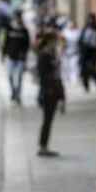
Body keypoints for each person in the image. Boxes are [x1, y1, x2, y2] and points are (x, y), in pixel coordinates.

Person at [35, 17, 66, 157]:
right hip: (48, 92)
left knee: (48, 120)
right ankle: (43, 146)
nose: (56, 44)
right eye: (55, 41)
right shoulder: (45, 55)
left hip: (53, 91)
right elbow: (45, 76)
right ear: (50, 41)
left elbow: (57, 75)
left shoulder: (51, 54)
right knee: (47, 120)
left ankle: (44, 145)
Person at [2, 10, 31, 105]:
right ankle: (13, 92)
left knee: (18, 77)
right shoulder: (9, 29)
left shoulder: (24, 30)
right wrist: (3, 54)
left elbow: (27, 45)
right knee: (10, 75)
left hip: (20, 58)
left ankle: (18, 94)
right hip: (11, 57)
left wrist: (25, 56)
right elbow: (5, 42)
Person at [78, 14, 96, 92]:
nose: (90, 21)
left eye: (91, 19)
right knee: (84, 69)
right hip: (85, 50)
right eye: (89, 19)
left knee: (93, 68)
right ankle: (86, 84)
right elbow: (80, 40)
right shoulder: (85, 29)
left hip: (94, 50)